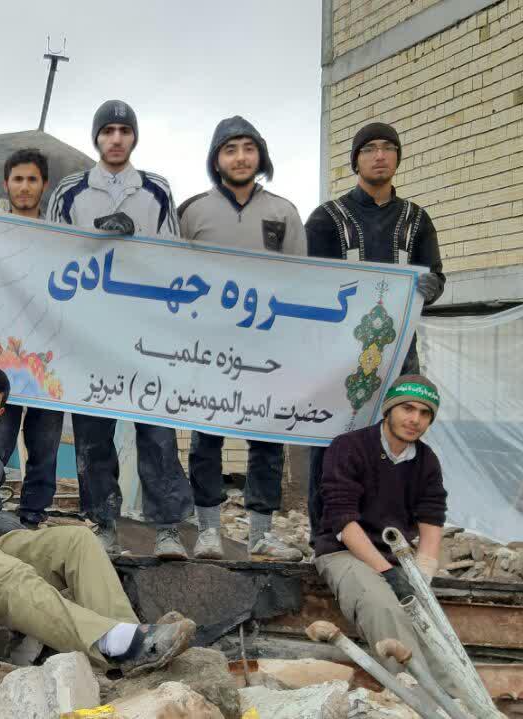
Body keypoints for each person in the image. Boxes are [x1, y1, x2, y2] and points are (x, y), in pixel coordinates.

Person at [0, 364, 196, 674]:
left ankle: (135, 642)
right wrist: (15, 528)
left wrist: (17, 534)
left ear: (0, 413)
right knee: (10, 572)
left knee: (77, 540)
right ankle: (117, 644)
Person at [45, 100, 193, 558]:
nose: (115, 139)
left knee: (155, 426)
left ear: (134, 137)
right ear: (96, 137)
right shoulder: (70, 192)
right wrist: (97, 240)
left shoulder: (156, 190)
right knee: (93, 432)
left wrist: (136, 241)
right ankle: (103, 522)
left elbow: (172, 258)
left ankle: (166, 527)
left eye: (123, 131)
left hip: (146, 330)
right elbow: (52, 253)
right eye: (107, 131)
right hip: (91, 331)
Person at [306, 122, 447, 542]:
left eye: (388, 148)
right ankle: (328, 534)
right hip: (338, 353)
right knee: (334, 437)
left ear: (398, 158)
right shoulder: (328, 218)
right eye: (369, 149)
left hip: (400, 351)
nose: (380, 156)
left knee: (398, 436)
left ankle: (389, 533)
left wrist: (429, 288)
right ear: (356, 160)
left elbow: (436, 278)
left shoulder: (416, 220)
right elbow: (310, 282)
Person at [176, 116, 305, 561]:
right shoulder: (192, 212)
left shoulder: (283, 212)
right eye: (230, 149)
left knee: (267, 440)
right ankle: (209, 530)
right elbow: (172, 276)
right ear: (217, 159)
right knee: (206, 438)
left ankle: (261, 534)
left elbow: (300, 282)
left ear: (260, 155)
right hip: (208, 347)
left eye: (248, 148)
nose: (240, 157)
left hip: (265, 348)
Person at [314, 375, 451, 681]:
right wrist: (388, 575)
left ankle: (456, 702)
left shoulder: (426, 462)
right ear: (389, 409)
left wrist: (422, 574)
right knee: (384, 606)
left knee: (429, 620)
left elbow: (432, 517)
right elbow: (342, 520)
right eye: (407, 408)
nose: (415, 419)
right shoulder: (349, 447)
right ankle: (414, 697)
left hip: (395, 557)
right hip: (343, 552)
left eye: (424, 413)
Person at [0, 148, 66, 528]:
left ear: (44, 185)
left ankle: (33, 513)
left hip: (49, 360)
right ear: (7, 184)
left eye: (32, 179)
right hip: (3, 359)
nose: (24, 187)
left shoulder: (62, 240)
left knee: (45, 441)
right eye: (17, 179)